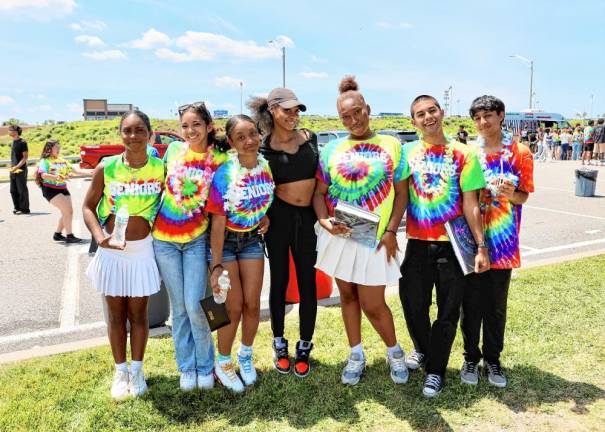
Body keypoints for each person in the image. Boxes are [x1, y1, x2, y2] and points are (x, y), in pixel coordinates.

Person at [313, 76, 409, 387]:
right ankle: (356, 354)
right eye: (346, 116)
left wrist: (392, 231)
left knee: (373, 303)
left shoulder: (392, 144)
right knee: (348, 297)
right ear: (338, 117)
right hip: (342, 234)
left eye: (358, 112)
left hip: (377, 238)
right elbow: (318, 193)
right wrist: (325, 222)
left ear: (368, 108)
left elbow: (402, 193)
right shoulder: (331, 150)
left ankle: (394, 352)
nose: (353, 120)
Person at [398, 94, 489, 398]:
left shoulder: (465, 154)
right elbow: (397, 195)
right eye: (420, 114)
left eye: (432, 110)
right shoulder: (407, 152)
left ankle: (435, 371)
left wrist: (481, 247)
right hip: (417, 243)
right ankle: (425, 349)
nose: (427, 117)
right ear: (414, 122)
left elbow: (471, 204)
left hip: (452, 246)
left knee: (448, 311)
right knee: (413, 304)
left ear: (442, 112)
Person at [83, 110, 164, 399]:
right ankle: (121, 372)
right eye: (127, 131)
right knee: (116, 317)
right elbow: (88, 207)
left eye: (139, 130)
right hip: (112, 253)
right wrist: (100, 237)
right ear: (121, 134)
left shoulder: (160, 168)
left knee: (139, 315)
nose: (133, 136)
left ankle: (138, 370)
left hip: (142, 251)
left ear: (149, 133)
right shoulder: (106, 168)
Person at [152, 102, 229, 391]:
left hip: (197, 241)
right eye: (184, 125)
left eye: (196, 124)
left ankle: (206, 365)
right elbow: (157, 186)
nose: (190, 130)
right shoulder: (173, 151)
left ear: (209, 126)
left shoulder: (220, 158)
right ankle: (186, 367)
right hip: (164, 240)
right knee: (180, 308)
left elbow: (224, 202)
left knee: (198, 305)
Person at [460, 95, 534, 389]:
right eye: (477, 118)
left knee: (495, 305)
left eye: (488, 116)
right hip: (471, 239)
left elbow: (524, 195)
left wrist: (509, 194)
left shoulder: (520, 152)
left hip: (503, 241)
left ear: (501, 115)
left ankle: (492, 358)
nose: (482, 123)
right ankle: (470, 357)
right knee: (470, 303)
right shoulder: (468, 153)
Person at [250, 88, 319, 377]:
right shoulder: (262, 147)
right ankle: (279, 341)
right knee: (278, 281)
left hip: (308, 219)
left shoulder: (310, 138)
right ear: (272, 111)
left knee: (307, 283)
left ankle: (304, 344)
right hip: (278, 220)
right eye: (287, 110)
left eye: (297, 110)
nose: (293, 115)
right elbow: (253, 183)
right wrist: (261, 214)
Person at [206, 115, 274, 393]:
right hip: (228, 243)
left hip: (252, 242)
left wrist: (264, 216)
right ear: (232, 142)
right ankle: (223, 363)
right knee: (230, 308)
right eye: (241, 137)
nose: (249, 141)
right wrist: (217, 263)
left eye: (252, 134)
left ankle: (245, 356)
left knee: (253, 305)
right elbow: (218, 223)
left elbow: (263, 198)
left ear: (259, 135)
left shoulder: (266, 168)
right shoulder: (224, 174)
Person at [36, 140, 92, 243]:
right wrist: (56, 177)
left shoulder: (62, 160)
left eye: (59, 147)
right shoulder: (45, 161)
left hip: (63, 188)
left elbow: (76, 171)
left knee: (66, 212)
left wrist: (93, 172)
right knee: (68, 211)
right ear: (49, 149)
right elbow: (43, 175)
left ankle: (57, 234)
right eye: (56, 147)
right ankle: (70, 236)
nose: (58, 149)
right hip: (50, 190)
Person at [8, 125, 30, 215]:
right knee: (13, 190)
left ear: (16, 132)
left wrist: (16, 167)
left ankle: (24, 209)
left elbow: (25, 158)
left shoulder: (22, 142)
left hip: (20, 170)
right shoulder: (13, 142)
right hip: (13, 169)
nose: (9, 131)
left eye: (10, 130)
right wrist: (12, 167)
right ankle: (17, 207)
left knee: (22, 190)